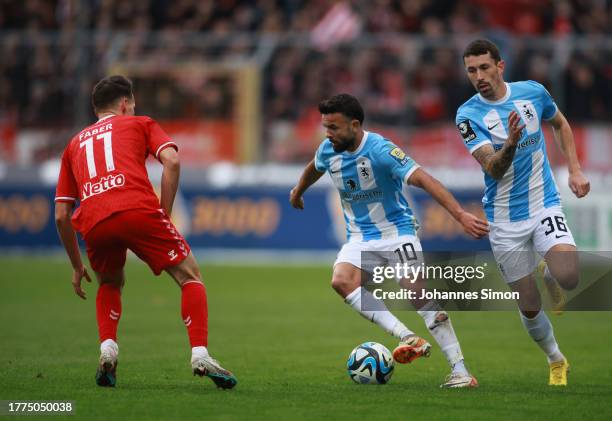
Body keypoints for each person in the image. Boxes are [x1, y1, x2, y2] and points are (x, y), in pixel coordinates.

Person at [290, 94, 489, 388]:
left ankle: (460, 370)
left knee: (416, 290)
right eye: (325, 127)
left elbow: (424, 179)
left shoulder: (381, 150)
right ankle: (407, 336)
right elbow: (315, 166)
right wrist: (298, 190)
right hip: (360, 237)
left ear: (355, 125)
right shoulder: (328, 149)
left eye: (334, 127)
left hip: (397, 233)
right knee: (341, 280)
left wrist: (459, 214)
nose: (328, 134)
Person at [54, 75, 237, 389]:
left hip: (95, 220)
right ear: (125, 103)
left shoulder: (73, 145)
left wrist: (75, 265)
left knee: (110, 282)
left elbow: (61, 214)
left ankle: (108, 349)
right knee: (190, 276)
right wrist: (163, 215)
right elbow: (173, 161)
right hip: (138, 209)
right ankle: (200, 354)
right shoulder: (139, 123)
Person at [456, 39, 590, 386]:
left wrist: (574, 169)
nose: (479, 76)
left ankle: (550, 273)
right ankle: (556, 358)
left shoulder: (533, 92)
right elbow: (493, 168)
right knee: (529, 305)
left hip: (543, 201)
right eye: (472, 70)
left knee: (570, 276)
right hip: (504, 219)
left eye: (484, 67)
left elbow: (560, 123)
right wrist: (511, 143)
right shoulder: (468, 116)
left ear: (500, 66)